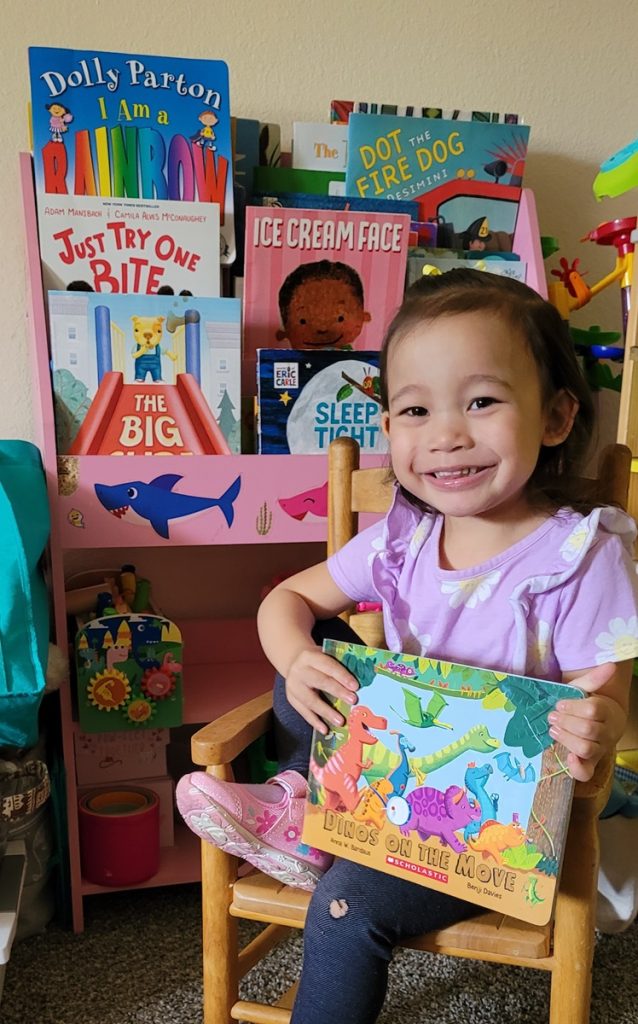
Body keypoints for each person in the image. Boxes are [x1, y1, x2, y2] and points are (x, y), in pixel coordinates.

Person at [177, 269, 638, 1024]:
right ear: (389, 430)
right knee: (316, 639)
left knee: (343, 906)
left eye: (482, 401)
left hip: (478, 823)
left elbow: (606, 696)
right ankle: (298, 800)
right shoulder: (403, 535)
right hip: (370, 781)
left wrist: (599, 723)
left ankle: (313, 833)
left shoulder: (580, 555)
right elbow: (282, 602)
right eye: (416, 409)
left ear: (556, 416)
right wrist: (297, 661)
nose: (448, 433)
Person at [276, 259, 372, 350]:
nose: (322, 329)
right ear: (286, 330)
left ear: (363, 317)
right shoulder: (289, 362)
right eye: (303, 321)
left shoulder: (355, 359)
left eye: (340, 318)